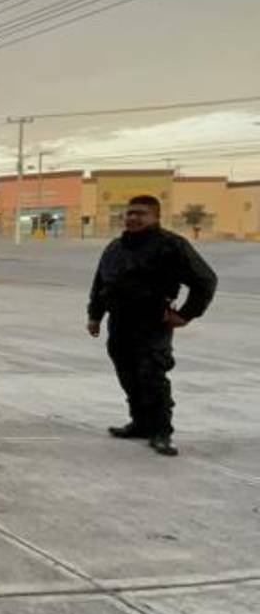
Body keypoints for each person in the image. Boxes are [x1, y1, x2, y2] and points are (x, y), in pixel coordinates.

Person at [87, 195, 217, 457]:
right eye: (130, 213)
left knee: (152, 376)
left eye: (141, 213)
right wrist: (95, 315)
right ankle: (141, 423)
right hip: (120, 322)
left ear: (156, 217)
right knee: (128, 374)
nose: (133, 218)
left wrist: (186, 314)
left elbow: (205, 280)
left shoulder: (171, 246)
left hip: (152, 323)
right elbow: (101, 284)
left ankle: (161, 431)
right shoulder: (116, 247)